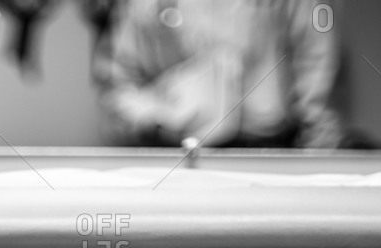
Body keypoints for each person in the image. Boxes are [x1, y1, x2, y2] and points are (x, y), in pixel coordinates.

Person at [98, 0, 343, 148]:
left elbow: (315, 56)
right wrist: (153, 119)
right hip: (177, 155)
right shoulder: (143, 6)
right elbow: (118, 82)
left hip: (271, 149)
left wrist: (316, 128)